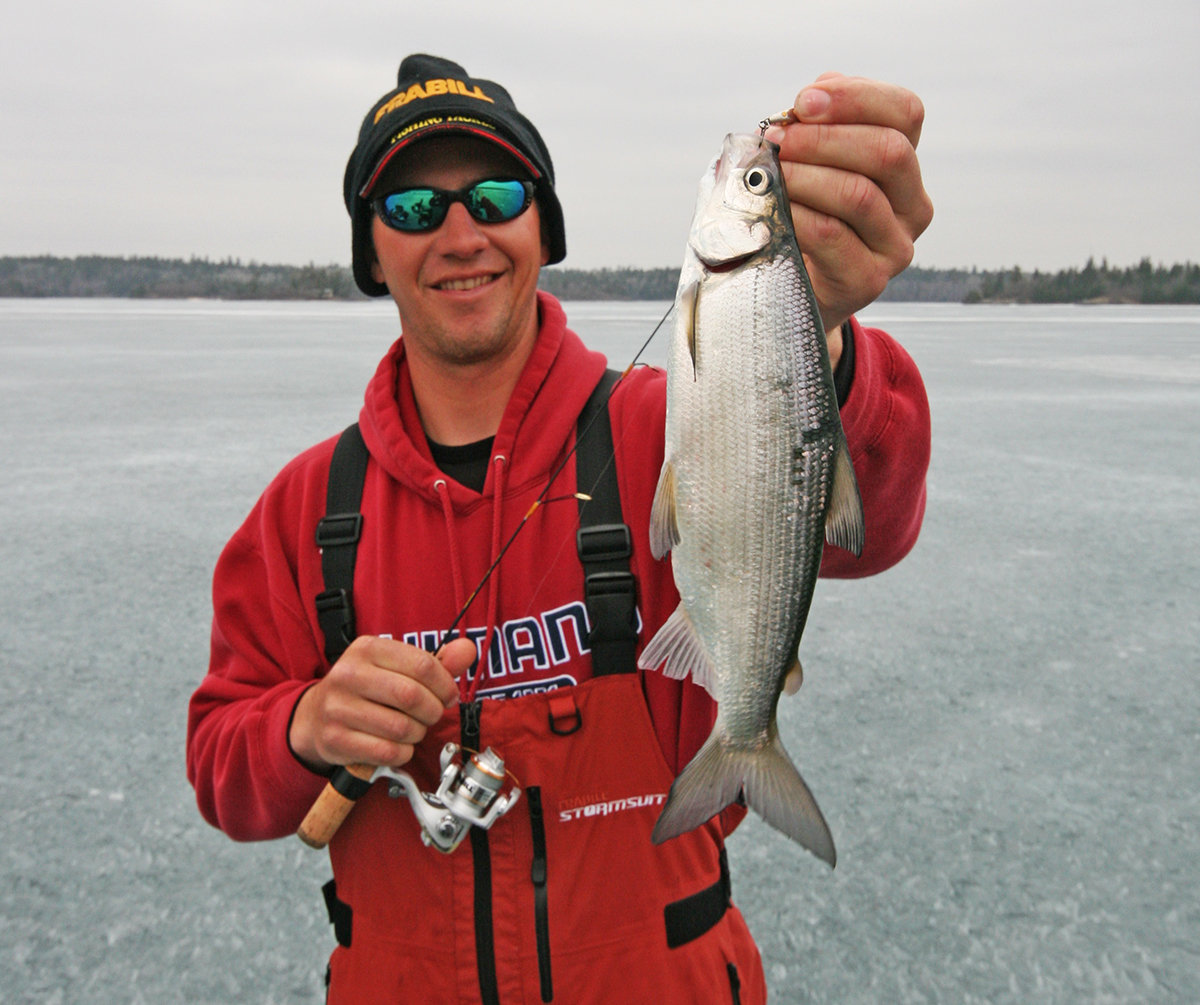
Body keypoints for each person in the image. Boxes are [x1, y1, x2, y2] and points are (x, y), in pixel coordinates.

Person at [187, 54, 932, 1005]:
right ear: (373, 254)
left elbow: (877, 518)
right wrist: (304, 725)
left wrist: (815, 340)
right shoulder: (304, 511)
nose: (461, 232)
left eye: (495, 196)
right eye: (414, 209)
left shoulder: (670, 429)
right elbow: (220, 762)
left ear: (545, 227)